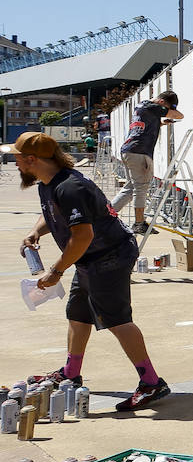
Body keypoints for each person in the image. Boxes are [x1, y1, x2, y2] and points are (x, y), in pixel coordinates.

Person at [3, 132, 171, 411]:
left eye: (17, 157)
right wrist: (35, 232)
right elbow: (51, 213)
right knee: (78, 313)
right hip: (89, 259)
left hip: (109, 257)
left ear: (32, 159)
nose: (15, 162)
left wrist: (56, 271)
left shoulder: (70, 187)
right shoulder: (50, 182)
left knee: (118, 320)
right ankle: (71, 372)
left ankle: (152, 383)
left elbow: (82, 236)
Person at [109, 91, 183, 234]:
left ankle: (106, 214)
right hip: (140, 151)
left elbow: (145, 125)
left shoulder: (142, 106)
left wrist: (160, 122)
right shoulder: (154, 107)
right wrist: (171, 112)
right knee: (140, 188)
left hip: (129, 150)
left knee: (131, 188)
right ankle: (138, 223)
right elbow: (179, 115)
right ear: (162, 102)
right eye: (168, 107)